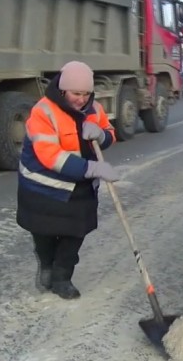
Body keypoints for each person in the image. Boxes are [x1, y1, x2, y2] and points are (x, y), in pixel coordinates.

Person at [16, 61, 120, 299]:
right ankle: (46, 264)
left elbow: (109, 133)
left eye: (86, 94)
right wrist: (92, 167)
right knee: (44, 233)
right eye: (76, 94)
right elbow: (50, 156)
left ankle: (62, 277)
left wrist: (102, 135)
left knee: (75, 235)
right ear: (63, 90)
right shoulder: (43, 112)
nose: (81, 100)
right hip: (42, 189)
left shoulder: (94, 109)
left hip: (79, 189)